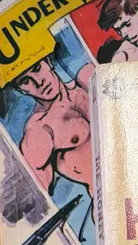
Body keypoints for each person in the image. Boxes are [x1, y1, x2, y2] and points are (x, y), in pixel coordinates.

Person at [11, 55, 95, 197]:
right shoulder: (39, 130)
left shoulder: (85, 82)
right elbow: (39, 193)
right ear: (21, 90)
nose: (39, 82)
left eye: (37, 68)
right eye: (26, 81)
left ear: (48, 62)